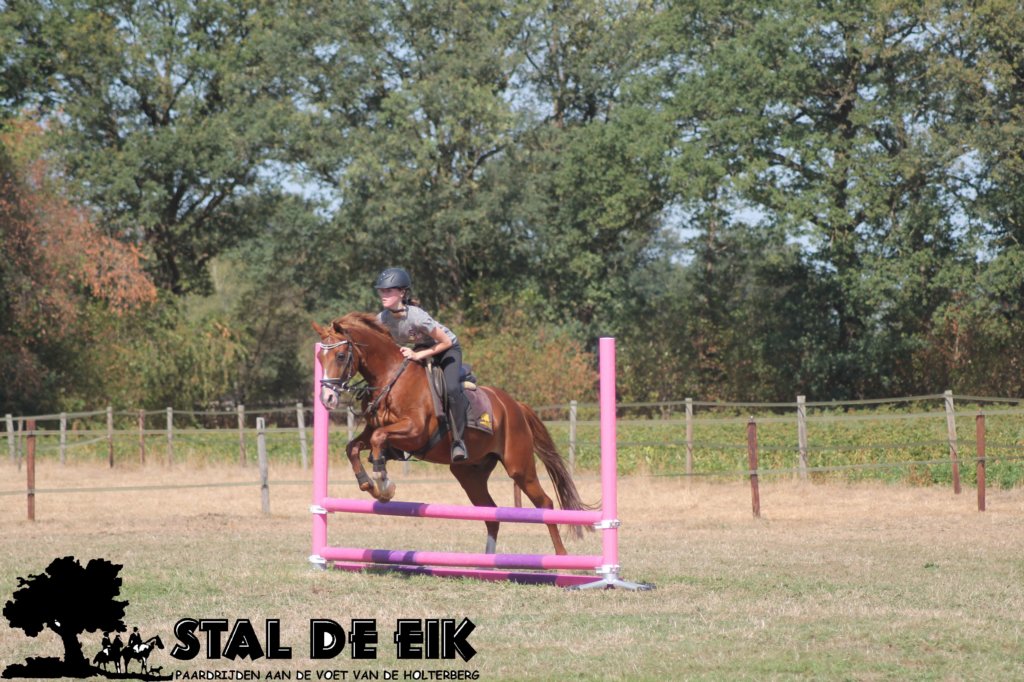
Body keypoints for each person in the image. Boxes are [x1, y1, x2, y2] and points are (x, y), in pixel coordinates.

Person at [374, 267, 469, 463]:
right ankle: (394, 445)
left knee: (451, 388)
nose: (383, 295)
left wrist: (418, 355)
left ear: (402, 293)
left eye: (388, 291)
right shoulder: (382, 319)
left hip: (447, 350)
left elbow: (446, 342)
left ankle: (459, 441)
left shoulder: (417, 316)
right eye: (381, 291)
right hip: (419, 349)